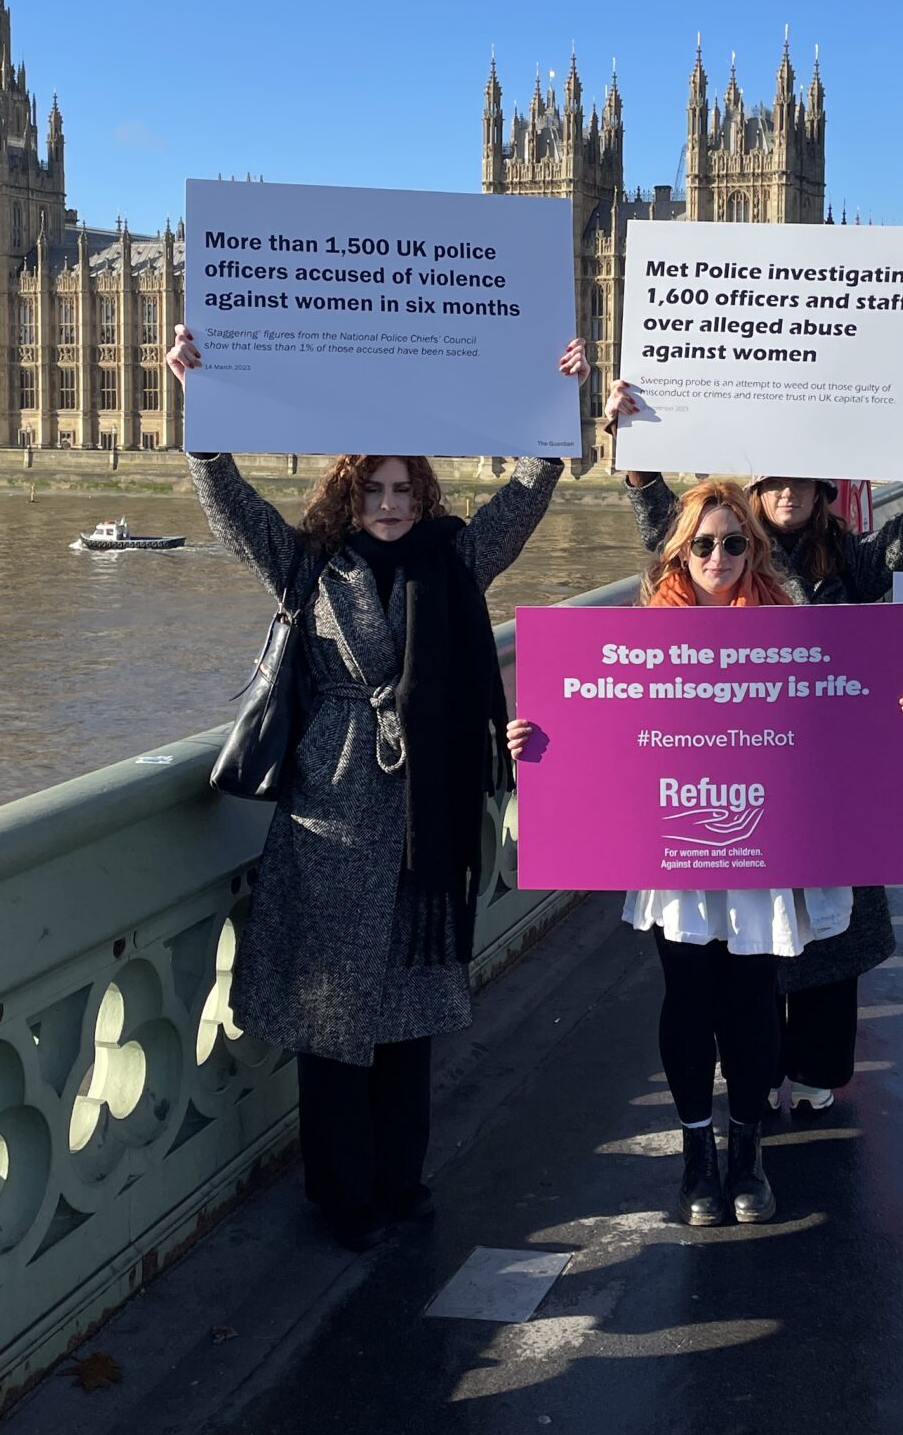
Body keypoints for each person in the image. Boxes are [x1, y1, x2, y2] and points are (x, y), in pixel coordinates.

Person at [165, 322, 589, 1249]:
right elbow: (229, 504)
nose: (392, 506)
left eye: (405, 490)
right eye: (376, 492)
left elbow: (526, 491)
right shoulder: (309, 564)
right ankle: (339, 1194)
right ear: (348, 496)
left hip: (422, 833)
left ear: (424, 493)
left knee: (406, 1021)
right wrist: (198, 402)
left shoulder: (454, 561)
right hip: (330, 824)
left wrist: (564, 400)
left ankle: (401, 1181)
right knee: (332, 1024)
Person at [506, 482, 903, 1227]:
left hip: (762, 842)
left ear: (753, 547)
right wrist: (533, 737)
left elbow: (836, 705)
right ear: (680, 549)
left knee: (752, 1002)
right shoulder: (645, 628)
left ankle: (747, 1153)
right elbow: (600, 720)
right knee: (689, 998)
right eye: (703, 543)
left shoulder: (786, 621)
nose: (719, 557)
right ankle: (697, 1155)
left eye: (734, 543)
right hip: (677, 845)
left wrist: (894, 707)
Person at [604, 379, 903, 1118]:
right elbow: (667, 532)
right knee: (752, 948)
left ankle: (811, 1073)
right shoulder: (724, 555)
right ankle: (753, 1082)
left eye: (799, 481)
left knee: (825, 943)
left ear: (820, 488)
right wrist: (640, 457)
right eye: (772, 481)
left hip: (820, 777)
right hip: (739, 779)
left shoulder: (848, 558)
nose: (786, 493)